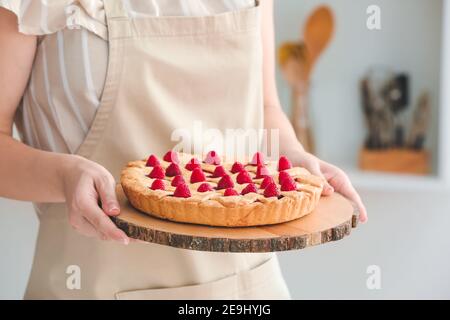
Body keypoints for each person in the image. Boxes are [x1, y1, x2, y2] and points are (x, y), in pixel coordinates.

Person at [0, 0, 367, 299]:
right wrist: (64, 176)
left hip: (241, 292)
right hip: (87, 285)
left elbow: (265, 108)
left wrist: (294, 161)